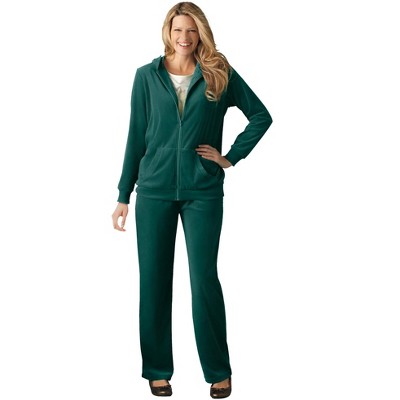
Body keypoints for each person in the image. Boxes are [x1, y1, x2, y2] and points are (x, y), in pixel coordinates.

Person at [112, 2, 272, 398]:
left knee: (203, 280)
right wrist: (123, 194)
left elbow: (260, 116)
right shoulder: (146, 76)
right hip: (154, 191)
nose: (184, 37)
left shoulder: (218, 72)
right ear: (168, 32)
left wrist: (230, 157)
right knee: (153, 281)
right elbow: (136, 135)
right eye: (178, 30)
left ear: (201, 33)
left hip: (203, 191)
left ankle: (218, 370)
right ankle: (157, 369)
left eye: (192, 30)